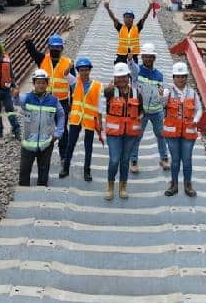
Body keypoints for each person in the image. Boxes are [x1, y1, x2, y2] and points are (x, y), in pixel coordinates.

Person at [23, 32, 76, 162]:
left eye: (57, 47)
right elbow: (32, 52)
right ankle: (40, 153)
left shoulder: (68, 63)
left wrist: (73, 103)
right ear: (49, 47)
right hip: (44, 100)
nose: (55, 49)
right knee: (41, 127)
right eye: (53, 47)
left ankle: (64, 156)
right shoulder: (43, 59)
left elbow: (74, 84)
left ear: (62, 48)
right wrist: (28, 41)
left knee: (62, 130)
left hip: (61, 101)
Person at [16, 68, 65, 186]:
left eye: (43, 82)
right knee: (23, 175)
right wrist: (14, 95)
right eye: (38, 82)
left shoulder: (53, 101)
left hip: (46, 144)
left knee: (43, 177)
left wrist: (58, 133)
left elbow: (61, 115)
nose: (41, 85)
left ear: (47, 84)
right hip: (28, 143)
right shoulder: (27, 98)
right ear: (34, 83)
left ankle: (42, 191)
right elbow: (16, 101)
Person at [128, 43, 170, 173]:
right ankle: (133, 161)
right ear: (142, 57)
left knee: (161, 135)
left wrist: (163, 97)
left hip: (156, 111)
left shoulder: (159, 75)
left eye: (150, 57)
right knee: (137, 136)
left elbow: (161, 93)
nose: (148, 59)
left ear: (154, 58)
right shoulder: (137, 71)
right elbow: (132, 68)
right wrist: (129, 59)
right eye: (145, 56)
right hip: (141, 111)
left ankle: (164, 158)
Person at [60, 57, 104, 182]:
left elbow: (99, 106)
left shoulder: (97, 86)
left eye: (86, 70)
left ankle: (87, 171)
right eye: (81, 70)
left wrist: (100, 123)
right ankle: (66, 168)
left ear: (90, 70)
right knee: (70, 144)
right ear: (78, 71)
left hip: (90, 119)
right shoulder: (75, 82)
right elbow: (65, 74)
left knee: (88, 146)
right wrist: (70, 65)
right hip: (76, 118)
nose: (84, 73)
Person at [104, 62, 142, 200]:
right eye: (118, 77)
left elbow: (141, 111)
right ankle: (110, 185)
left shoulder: (136, 93)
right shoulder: (110, 92)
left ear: (128, 77)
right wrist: (109, 87)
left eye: (124, 76)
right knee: (114, 160)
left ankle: (123, 186)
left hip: (130, 134)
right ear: (114, 78)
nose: (121, 79)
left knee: (125, 160)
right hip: (114, 134)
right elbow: (105, 93)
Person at [163, 62, 202, 197]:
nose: (181, 79)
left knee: (187, 159)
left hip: (188, 132)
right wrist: (162, 95)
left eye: (183, 76)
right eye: (178, 76)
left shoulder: (192, 93)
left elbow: (198, 109)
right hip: (172, 132)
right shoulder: (168, 92)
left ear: (186, 77)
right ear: (173, 77)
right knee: (175, 159)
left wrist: (195, 121)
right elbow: (160, 103)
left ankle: (188, 184)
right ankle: (173, 184)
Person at [104, 0, 153, 64]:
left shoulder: (137, 27)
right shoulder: (120, 27)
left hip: (133, 56)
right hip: (121, 56)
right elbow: (113, 18)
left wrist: (149, 7)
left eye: (130, 17)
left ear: (133, 19)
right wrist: (108, 9)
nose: (128, 18)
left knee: (133, 73)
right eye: (126, 17)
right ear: (123, 18)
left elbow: (144, 17)